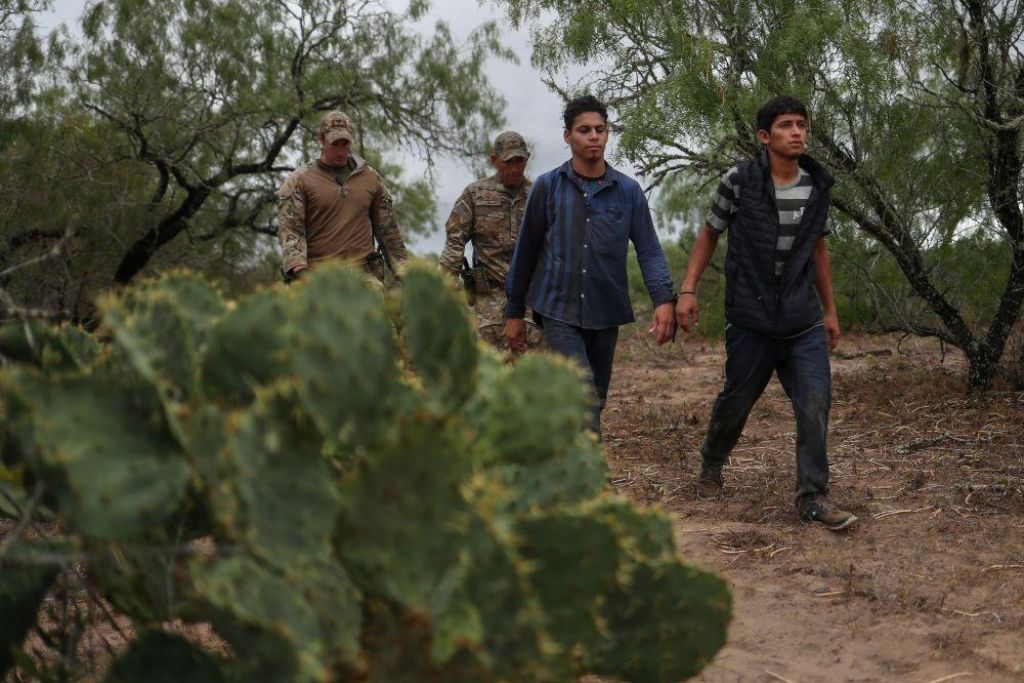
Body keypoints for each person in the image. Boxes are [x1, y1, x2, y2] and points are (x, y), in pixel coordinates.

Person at [675, 95, 856, 531]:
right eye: (786, 125)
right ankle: (712, 464)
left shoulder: (816, 186)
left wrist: (829, 310)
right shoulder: (739, 181)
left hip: (801, 320)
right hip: (751, 319)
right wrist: (688, 290)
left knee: (814, 403)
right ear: (764, 136)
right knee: (737, 400)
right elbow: (709, 234)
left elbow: (818, 249)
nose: (797, 132)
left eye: (801, 125)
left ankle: (812, 497)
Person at [504, 95, 676, 437]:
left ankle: (565, 462)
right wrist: (513, 311)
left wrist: (663, 299)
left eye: (600, 129)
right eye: (584, 130)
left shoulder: (627, 191)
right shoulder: (548, 187)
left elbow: (649, 250)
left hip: (605, 310)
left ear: (608, 134)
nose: (593, 136)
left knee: (595, 397)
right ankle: (593, 482)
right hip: (558, 308)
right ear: (568, 137)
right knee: (582, 394)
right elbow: (526, 251)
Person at [277, 111, 408, 283]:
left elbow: (388, 231)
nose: (340, 150)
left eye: (345, 144)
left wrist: (405, 273)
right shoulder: (299, 180)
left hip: (364, 277)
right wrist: (300, 270)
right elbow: (291, 231)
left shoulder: (370, 178)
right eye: (335, 144)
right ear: (321, 140)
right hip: (319, 278)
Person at [438, 131, 542, 350]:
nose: (514, 169)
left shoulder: (539, 195)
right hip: (489, 295)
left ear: (527, 159)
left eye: (519, 161)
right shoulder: (475, 194)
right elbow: (454, 241)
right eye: (508, 162)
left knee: (532, 362)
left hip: (531, 295)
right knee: (489, 363)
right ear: (494, 160)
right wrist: (446, 288)